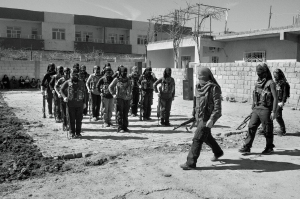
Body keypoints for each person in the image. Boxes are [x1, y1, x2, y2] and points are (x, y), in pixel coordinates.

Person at [180, 67, 223, 170]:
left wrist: (212, 119)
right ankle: (218, 152)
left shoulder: (214, 88)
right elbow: (196, 105)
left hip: (207, 119)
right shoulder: (198, 87)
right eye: (200, 78)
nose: (201, 81)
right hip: (200, 118)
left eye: (203, 78)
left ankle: (190, 163)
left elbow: (218, 108)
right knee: (207, 137)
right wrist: (194, 118)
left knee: (197, 138)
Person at [239, 63, 278, 155]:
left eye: (260, 73)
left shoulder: (271, 83)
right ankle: (247, 146)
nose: (259, 75)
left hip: (266, 109)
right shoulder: (257, 82)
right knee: (251, 126)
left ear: (265, 72)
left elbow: (275, 98)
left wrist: (274, 111)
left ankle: (269, 147)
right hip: (256, 109)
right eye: (258, 73)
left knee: (267, 129)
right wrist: (253, 107)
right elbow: (255, 95)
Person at [60, 68, 86, 138]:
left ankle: (78, 133)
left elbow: (84, 93)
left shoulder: (81, 82)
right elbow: (61, 90)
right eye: (73, 74)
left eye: (76, 74)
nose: (74, 76)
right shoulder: (67, 82)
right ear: (70, 74)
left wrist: (84, 103)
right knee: (71, 119)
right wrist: (64, 97)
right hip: (70, 104)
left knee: (79, 119)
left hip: (80, 104)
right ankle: (72, 132)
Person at [109, 65, 133, 133]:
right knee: (120, 113)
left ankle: (125, 127)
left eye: (126, 72)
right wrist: (113, 94)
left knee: (125, 114)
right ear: (120, 72)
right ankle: (120, 127)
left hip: (127, 99)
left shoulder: (128, 80)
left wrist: (130, 97)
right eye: (123, 72)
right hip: (119, 99)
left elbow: (130, 89)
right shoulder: (117, 79)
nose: (125, 73)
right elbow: (110, 87)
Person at [273, 69, 289, 136]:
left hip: (280, 101)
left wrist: (282, 101)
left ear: (279, 74)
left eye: (276, 74)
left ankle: (283, 130)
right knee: (269, 115)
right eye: (274, 74)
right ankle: (265, 128)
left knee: (278, 116)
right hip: (274, 101)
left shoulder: (284, 83)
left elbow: (285, 93)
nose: (274, 76)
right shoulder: (276, 82)